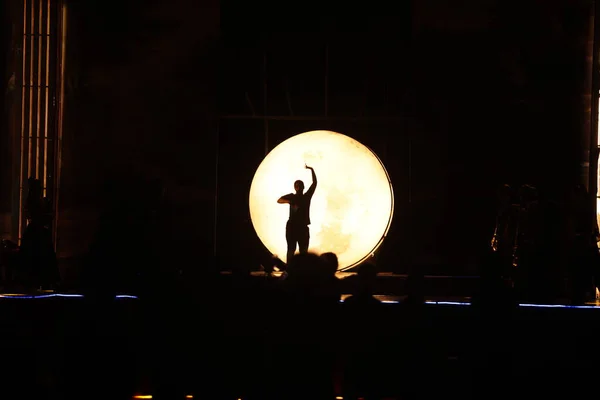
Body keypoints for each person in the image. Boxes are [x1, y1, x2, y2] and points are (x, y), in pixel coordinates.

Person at [277, 164, 317, 264]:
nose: (299, 187)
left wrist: (311, 169)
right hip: (292, 226)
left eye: (300, 185)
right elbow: (279, 200)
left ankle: (302, 270)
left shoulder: (307, 196)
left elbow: (314, 183)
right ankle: (289, 269)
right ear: (295, 187)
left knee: (303, 250)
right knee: (291, 248)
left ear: (303, 187)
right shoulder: (291, 196)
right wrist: (289, 202)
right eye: (297, 185)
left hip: (303, 226)